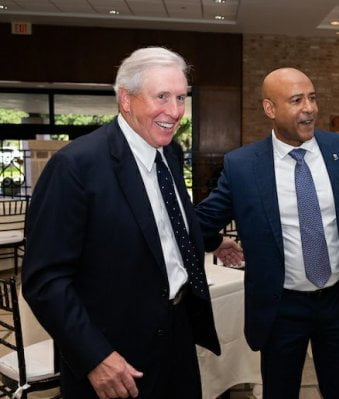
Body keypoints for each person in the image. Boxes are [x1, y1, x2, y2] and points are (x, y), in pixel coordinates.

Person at [21, 47, 241, 399]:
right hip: (115, 356)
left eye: (181, 97)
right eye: (162, 97)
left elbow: (166, 222)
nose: (175, 111)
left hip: (178, 337)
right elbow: (44, 280)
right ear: (126, 99)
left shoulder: (169, 151)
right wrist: (95, 357)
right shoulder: (76, 167)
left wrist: (213, 241)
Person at [195, 67, 339, 398]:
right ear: (270, 109)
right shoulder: (243, 166)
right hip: (281, 308)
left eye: (312, 97)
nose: (309, 108)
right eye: (296, 100)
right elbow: (201, 222)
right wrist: (215, 241)